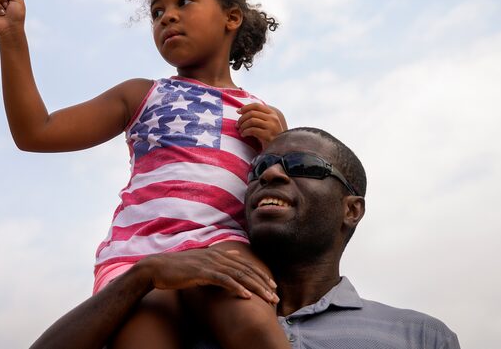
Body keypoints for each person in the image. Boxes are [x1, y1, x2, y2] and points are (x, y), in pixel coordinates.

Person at [0, 0, 290, 348]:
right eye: (157, 11)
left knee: (254, 328)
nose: (167, 17)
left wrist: (278, 145)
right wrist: (12, 37)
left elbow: (286, 195)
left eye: (184, 1)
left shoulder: (261, 112)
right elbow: (36, 133)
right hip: (139, 254)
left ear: (231, 18)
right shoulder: (142, 94)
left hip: (223, 241)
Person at [30, 127, 461, 349]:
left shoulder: (418, 336)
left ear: (351, 210)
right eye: (259, 169)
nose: (271, 173)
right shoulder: (176, 319)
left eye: (303, 166)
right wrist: (142, 276)